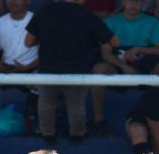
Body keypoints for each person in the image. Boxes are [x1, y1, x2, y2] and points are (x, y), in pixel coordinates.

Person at [25, 0, 118, 143]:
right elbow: (115, 42)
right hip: (77, 69)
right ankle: (77, 136)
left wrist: (46, 37)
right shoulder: (87, 14)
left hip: (48, 67)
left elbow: (28, 42)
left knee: (46, 102)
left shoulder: (44, 11)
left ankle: (47, 136)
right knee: (76, 104)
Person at [91, 0, 159, 136]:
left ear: (143, 4)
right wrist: (124, 66)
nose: (134, 6)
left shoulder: (152, 22)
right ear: (123, 2)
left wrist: (138, 49)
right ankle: (99, 121)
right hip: (117, 64)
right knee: (99, 69)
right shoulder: (110, 22)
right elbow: (105, 53)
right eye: (130, 2)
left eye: (138, 2)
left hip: (144, 64)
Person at [0, 0, 39, 126]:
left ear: (28, 1)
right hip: (6, 69)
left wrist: (28, 66)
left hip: (30, 69)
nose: (12, 2)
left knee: (41, 81)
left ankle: (31, 122)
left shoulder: (38, 20)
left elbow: (47, 52)